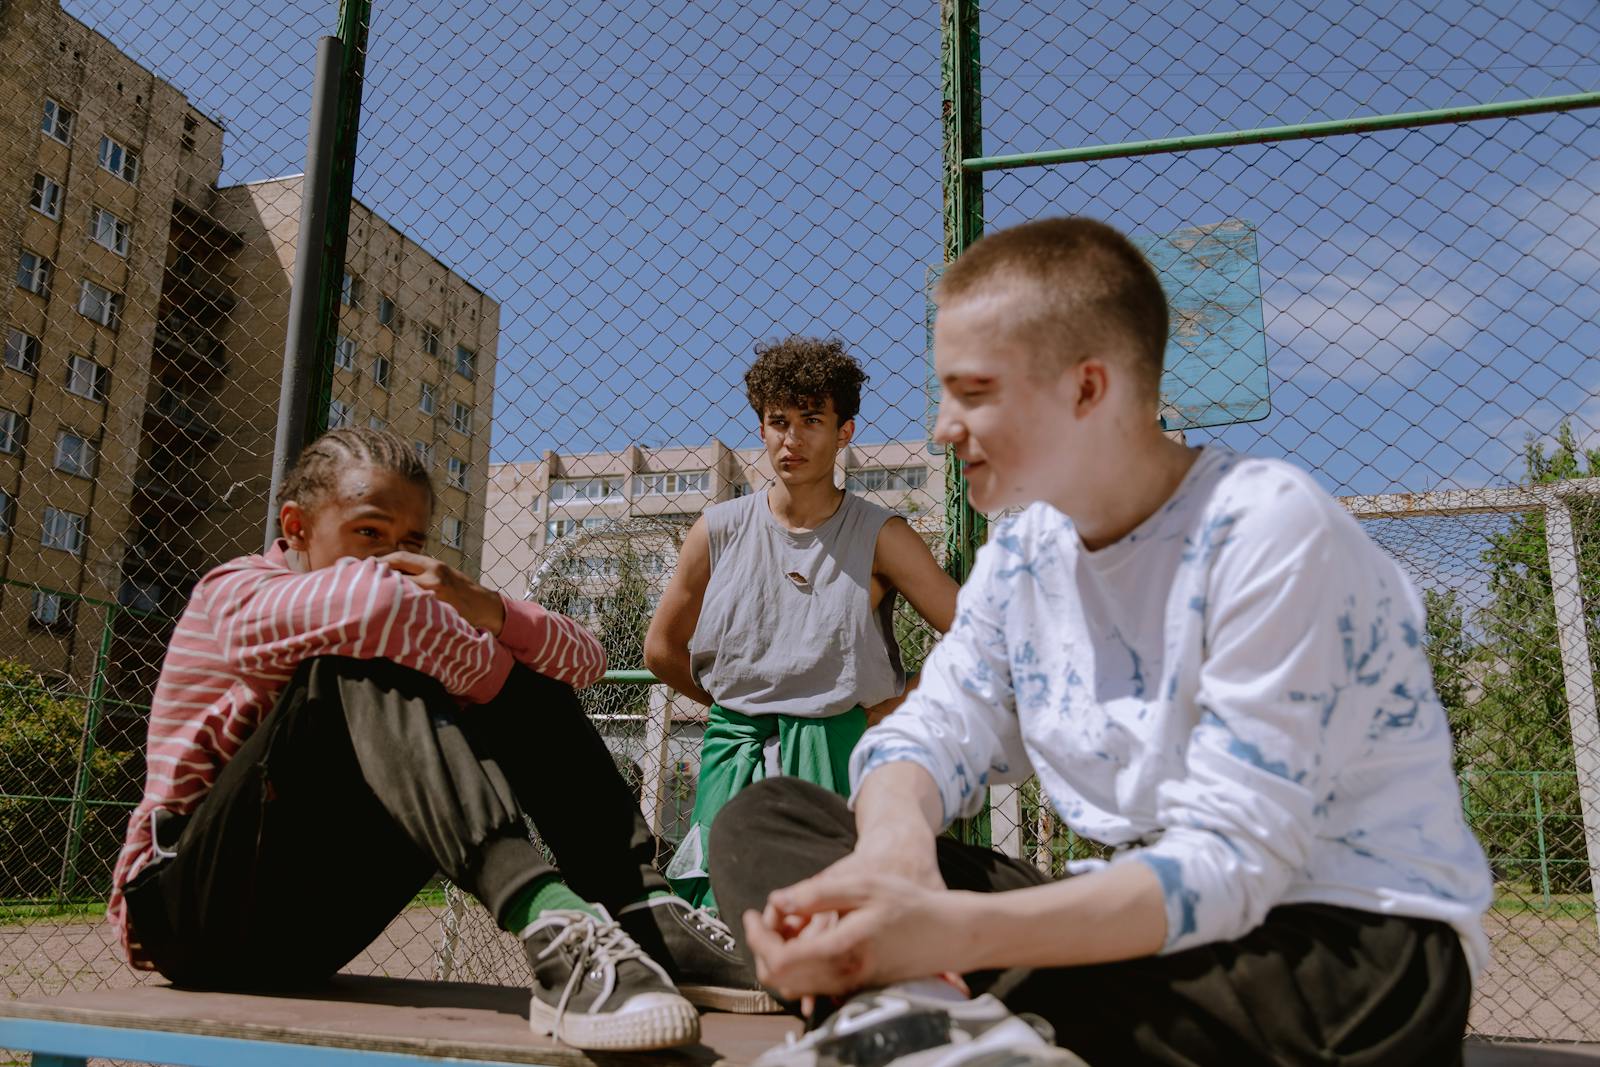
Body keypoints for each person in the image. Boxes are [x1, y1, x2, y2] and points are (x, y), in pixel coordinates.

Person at [709, 218, 1494, 1067]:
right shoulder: (1022, 554)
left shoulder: (1268, 529)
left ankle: (935, 1010)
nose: (942, 426)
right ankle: (931, 1017)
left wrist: (945, 927)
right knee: (769, 820)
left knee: (1169, 969)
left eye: (973, 392)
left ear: (1087, 389)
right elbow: (932, 727)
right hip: (1133, 927)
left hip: (1336, 949)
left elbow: (1234, 863)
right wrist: (896, 858)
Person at [107, 427, 765, 1053]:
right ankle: (550, 918)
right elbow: (374, 609)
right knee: (357, 662)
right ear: (296, 527)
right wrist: (496, 673)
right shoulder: (235, 591)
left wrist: (489, 609)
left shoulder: (427, 609)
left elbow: (585, 660)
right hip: (189, 914)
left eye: (411, 540)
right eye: (368, 531)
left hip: (307, 927)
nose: (393, 555)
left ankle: (642, 911)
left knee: (526, 685)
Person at [644, 336, 957, 913]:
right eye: (778, 421)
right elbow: (662, 649)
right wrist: (734, 710)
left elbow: (972, 638)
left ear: (845, 432)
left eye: (812, 419)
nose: (793, 439)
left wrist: (885, 709)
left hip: (840, 750)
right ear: (762, 429)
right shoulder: (717, 530)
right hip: (733, 750)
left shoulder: (881, 535)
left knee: (837, 924)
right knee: (723, 925)